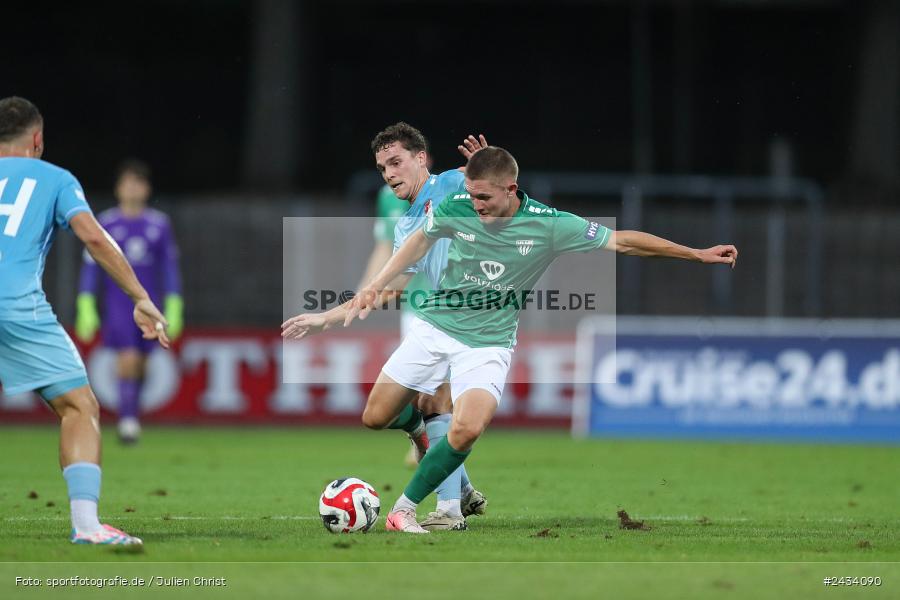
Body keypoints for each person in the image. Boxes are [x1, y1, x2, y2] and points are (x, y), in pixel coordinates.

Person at [344, 145, 739, 533]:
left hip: (487, 344)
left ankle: (404, 510)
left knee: (467, 428)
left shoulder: (548, 224)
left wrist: (696, 254)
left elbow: (623, 241)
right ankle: (424, 440)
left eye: (484, 198)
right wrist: (376, 284)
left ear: (511, 190)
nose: (476, 205)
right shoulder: (457, 206)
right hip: (434, 327)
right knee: (375, 417)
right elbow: (418, 242)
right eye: (472, 195)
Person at [282, 123, 487, 530]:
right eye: (382, 168)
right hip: (430, 316)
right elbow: (393, 286)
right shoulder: (406, 223)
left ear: (421, 159)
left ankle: (448, 511)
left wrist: (490, 166)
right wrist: (327, 317)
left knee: (437, 401)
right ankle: (454, 480)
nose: (389, 174)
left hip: (473, 317)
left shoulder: (450, 183)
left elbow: (501, 189)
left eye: (396, 162)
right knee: (377, 415)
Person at [0, 96, 169, 545]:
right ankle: (87, 526)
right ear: (37, 139)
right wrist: (140, 297)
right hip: (13, 305)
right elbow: (93, 238)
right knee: (78, 406)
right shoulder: (55, 178)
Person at [75, 159, 183, 443]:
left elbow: (169, 267)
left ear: (147, 189)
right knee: (128, 357)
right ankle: (128, 421)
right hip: (119, 304)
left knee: (142, 364)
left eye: (138, 183)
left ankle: (131, 412)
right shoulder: (106, 222)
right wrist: (85, 303)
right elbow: (92, 265)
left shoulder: (159, 224)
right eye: (128, 183)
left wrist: (174, 304)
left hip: (151, 303)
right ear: (118, 188)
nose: (133, 188)